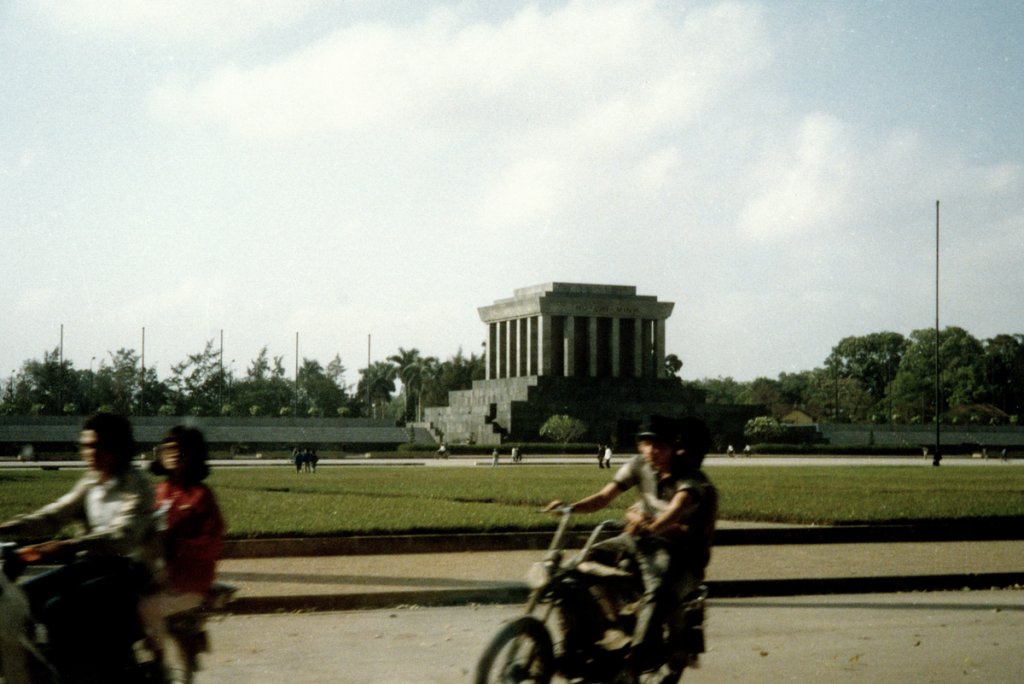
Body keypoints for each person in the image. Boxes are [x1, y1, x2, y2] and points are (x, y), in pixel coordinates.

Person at [545, 415, 717, 677]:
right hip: (641, 542)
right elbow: (607, 497)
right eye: (647, 444)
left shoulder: (695, 482)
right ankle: (577, 642)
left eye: (663, 446)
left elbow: (678, 514)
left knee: (658, 591)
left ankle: (635, 658)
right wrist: (571, 507)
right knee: (574, 568)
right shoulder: (643, 467)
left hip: (680, 556)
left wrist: (650, 525)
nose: (653, 452)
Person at [0, 412, 161, 674]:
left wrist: (69, 545)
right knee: (21, 597)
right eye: (85, 446)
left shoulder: (137, 486)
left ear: (118, 447)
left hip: (129, 573)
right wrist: (5, 528)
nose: (89, 452)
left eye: (97, 446)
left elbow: (122, 537)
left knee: (56, 610)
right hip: (92, 566)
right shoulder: (91, 483)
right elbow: (52, 517)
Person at [139, 425, 225, 681]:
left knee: (146, 608)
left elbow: (210, 541)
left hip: (188, 581)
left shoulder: (201, 497)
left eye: (182, 450)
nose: (175, 454)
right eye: (169, 448)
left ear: (194, 456)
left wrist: (174, 547)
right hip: (156, 575)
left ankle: (159, 665)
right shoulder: (158, 492)